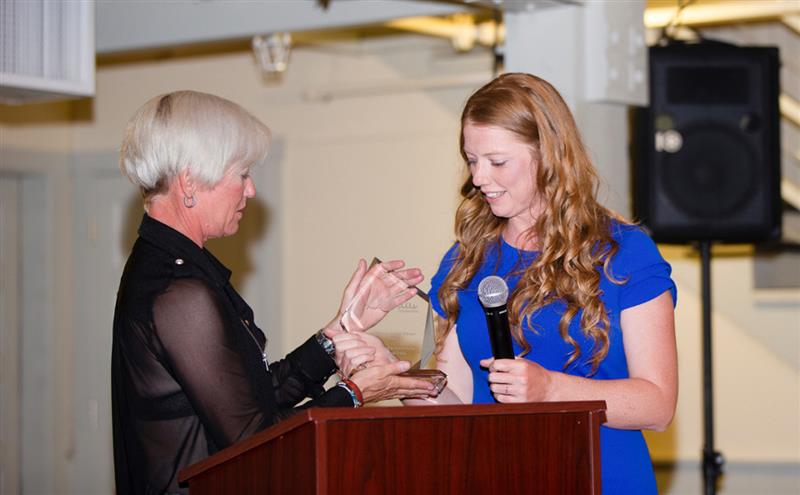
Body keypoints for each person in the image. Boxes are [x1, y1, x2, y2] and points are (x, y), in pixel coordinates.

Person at [111, 90, 438, 495]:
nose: (249, 191)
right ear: (191, 181)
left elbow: (254, 399)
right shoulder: (179, 292)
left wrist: (339, 333)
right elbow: (254, 440)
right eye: (241, 173)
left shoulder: (168, 268)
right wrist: (354, 394)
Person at [406, 73, 677, 495]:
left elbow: (658, 405)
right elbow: (454, 400)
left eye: (496, 162)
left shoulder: (625, 253)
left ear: (548, 155)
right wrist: (401, 376)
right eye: (471, 160)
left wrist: (550, 388)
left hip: (600, 478)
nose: (478, 178)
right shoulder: (465, 259)